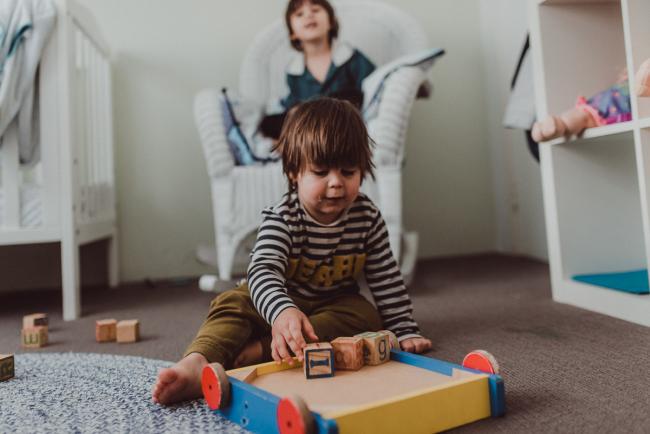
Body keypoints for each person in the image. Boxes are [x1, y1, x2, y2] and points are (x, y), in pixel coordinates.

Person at [152, 98, 432, 405]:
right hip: (275, 303)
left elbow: (385, 277)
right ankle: (197, 363)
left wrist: (404, 329)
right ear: (294, 172)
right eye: (321, 172)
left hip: (332, 305)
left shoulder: (367, 217)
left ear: (362, 172)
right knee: (232, 302)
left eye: (348, 172)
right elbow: (262, 272)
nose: (336, 183)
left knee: (365, 314)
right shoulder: (283, 217)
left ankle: (260, 349)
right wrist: (283, 311)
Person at [258, 0, 376, 139]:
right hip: (309, 123)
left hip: (342, 121)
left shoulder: (350, 56)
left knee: (348, 97)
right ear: (293, 33)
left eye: (315, 10)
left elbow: (373, 87)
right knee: (268, 122)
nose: (309, 15)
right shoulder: (293, 72)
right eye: (300, 14)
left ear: (331, 22)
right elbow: (293, 104)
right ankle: (302, 141)